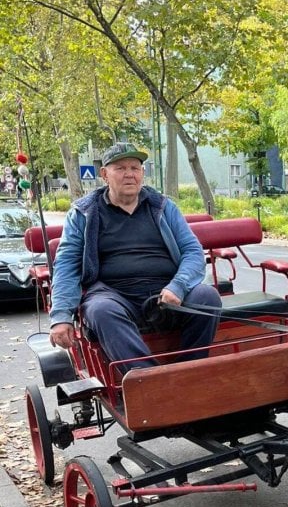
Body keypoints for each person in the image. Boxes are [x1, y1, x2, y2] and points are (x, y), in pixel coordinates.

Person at [49, 141, 222, 374]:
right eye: (120, 168)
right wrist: (61, 316)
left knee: (207, 296)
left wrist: (178, 286)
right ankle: (149, 382)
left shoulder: (163, 206)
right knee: (100, 310)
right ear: (104, 174)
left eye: (135, 168)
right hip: (114, 295)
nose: (129, 174)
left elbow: (192, 251)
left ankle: (190, 373)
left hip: (166, 294)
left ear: (142, 173)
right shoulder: (83, 213)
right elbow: (67, 265)